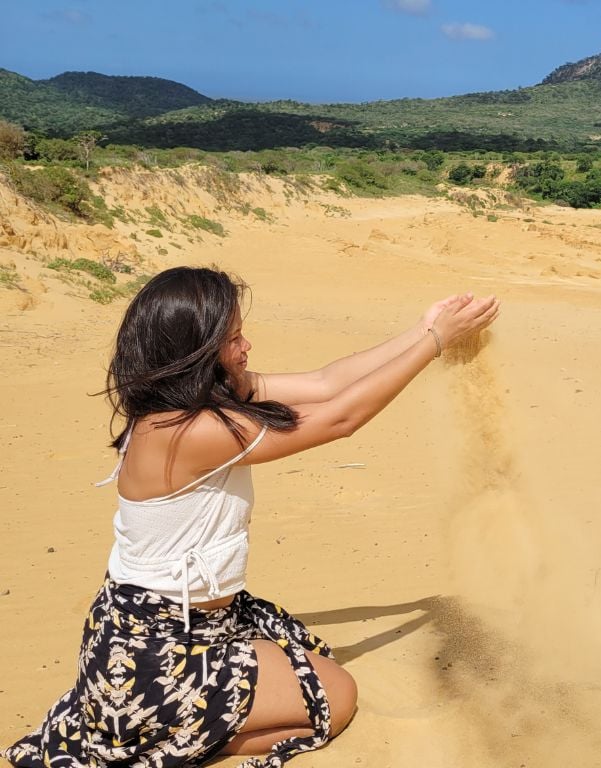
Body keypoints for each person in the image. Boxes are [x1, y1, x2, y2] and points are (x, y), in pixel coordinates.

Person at [2, 266, 499, 768]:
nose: (247, 347)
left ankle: (172, 725)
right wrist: (435, 344)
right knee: (335, 695)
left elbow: (325, 382)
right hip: (156, 651)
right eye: (234, 338)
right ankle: (168, 743)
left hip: (188, 626)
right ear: (196, 351)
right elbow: (339, 418)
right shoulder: (184, 432)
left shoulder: (199, 403)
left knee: (309, 656)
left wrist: (422, 330)